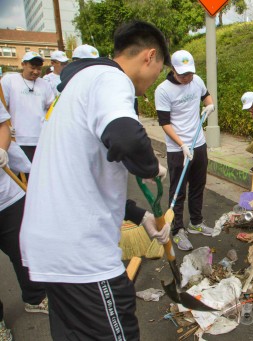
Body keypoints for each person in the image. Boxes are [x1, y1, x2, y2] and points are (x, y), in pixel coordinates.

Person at [20, 21, 170, 340]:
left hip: (51, 249)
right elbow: (126, 138)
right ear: (150, 56)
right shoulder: (111, 78)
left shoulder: (79, 86)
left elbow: (83, 178)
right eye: (158, 71)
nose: (153, 80)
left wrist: (140, 215)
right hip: (81, 254)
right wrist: (151, 165)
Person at [154, 50, 215, 252]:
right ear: (173, 70)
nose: (187, 78)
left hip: (198, 142)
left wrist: (209, 106)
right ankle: (178, 229)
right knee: (178, 191)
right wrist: (181, 145)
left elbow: (206, 96)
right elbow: (164, 123)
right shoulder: (163, 91)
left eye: (190, 73)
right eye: (183, 74)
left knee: (199, 185)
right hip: (177, 148)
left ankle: (196, 222)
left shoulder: (196, 81)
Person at [0, 101, 48, 341]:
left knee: (23, 249)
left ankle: (35, 297)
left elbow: (3, 126)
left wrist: (2, 148)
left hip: (7, 196)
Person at [0, 51, 54, 162]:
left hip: (39, 138)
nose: (36, 72)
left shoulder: (44, 84)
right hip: (16, 139)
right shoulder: (9, 80)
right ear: (23, 65)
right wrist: (6, 126)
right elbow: (3, 105)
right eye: (32, 67)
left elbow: (51, 106)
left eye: (39, 69)